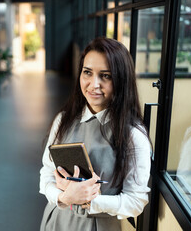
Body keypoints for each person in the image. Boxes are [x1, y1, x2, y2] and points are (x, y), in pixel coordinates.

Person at [39, 37, 151, 231]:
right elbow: (46, 174)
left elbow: (136, 201)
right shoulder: (63, 120)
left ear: (121, 80)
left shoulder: (134, 136)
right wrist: (65, 198)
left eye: (105, 76)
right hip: (57, 219)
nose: (93, 84)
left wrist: (90, 200)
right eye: (87, 73)